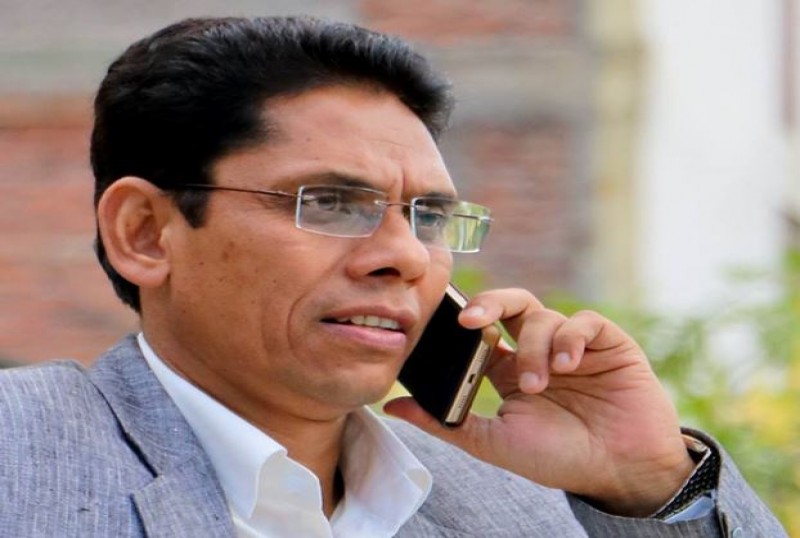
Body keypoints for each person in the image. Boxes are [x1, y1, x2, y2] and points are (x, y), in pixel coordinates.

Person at [0, 16, 786, 538]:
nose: (406, 256)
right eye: (332, 203)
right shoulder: (24, 457)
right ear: (144, 233)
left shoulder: (521, 504)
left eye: (430, 216)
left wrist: (648, 483)